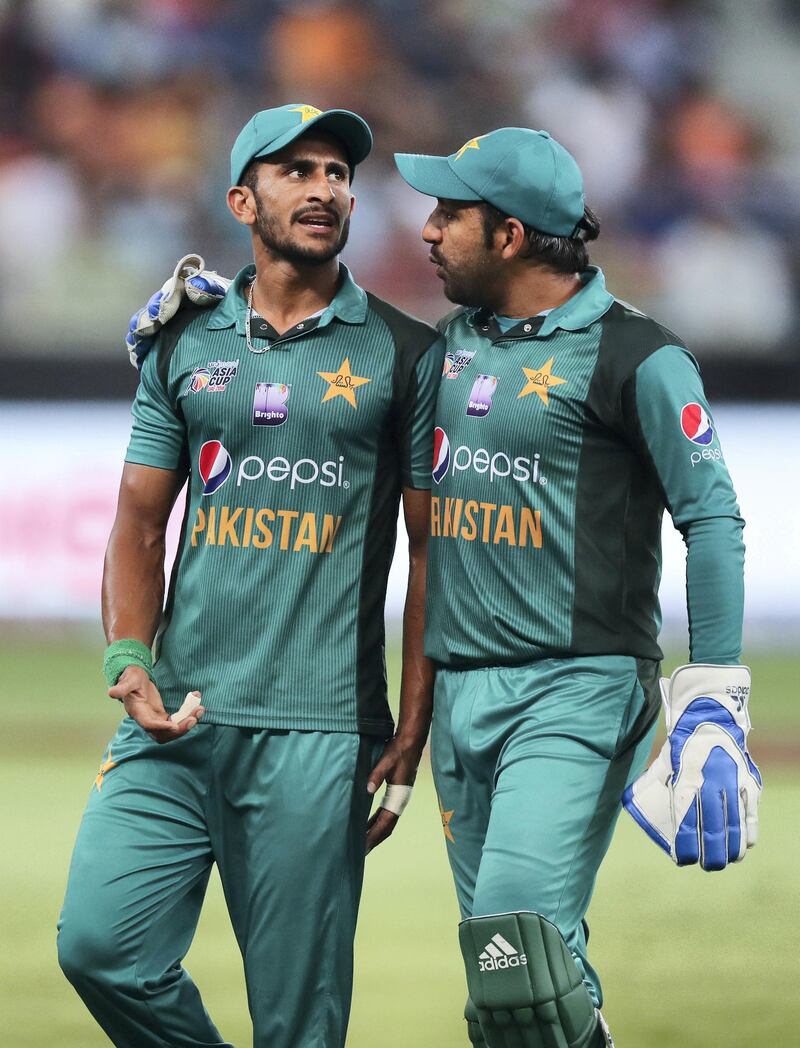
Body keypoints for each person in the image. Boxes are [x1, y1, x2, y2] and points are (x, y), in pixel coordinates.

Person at [57, 103, 444, 1048]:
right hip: (176, 717)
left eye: (338, 174)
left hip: (318, 728)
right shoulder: (184, 340)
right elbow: (138, 524)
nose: (325, 188)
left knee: (298, 1021)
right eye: (297, 171)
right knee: (99, 949)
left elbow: (434, 552)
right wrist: (126, 656)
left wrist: (412, 722)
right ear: (242, 199)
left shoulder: (406, 351)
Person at [392, 127, 762, 1047]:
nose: (428, 231)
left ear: (511, 235)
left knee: (518, 949)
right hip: (461, 702)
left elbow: (711, 517)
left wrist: (713, 694)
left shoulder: (639, 355)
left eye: (450, 214)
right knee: (510, 983)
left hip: (576, 693)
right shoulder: (450, 347)